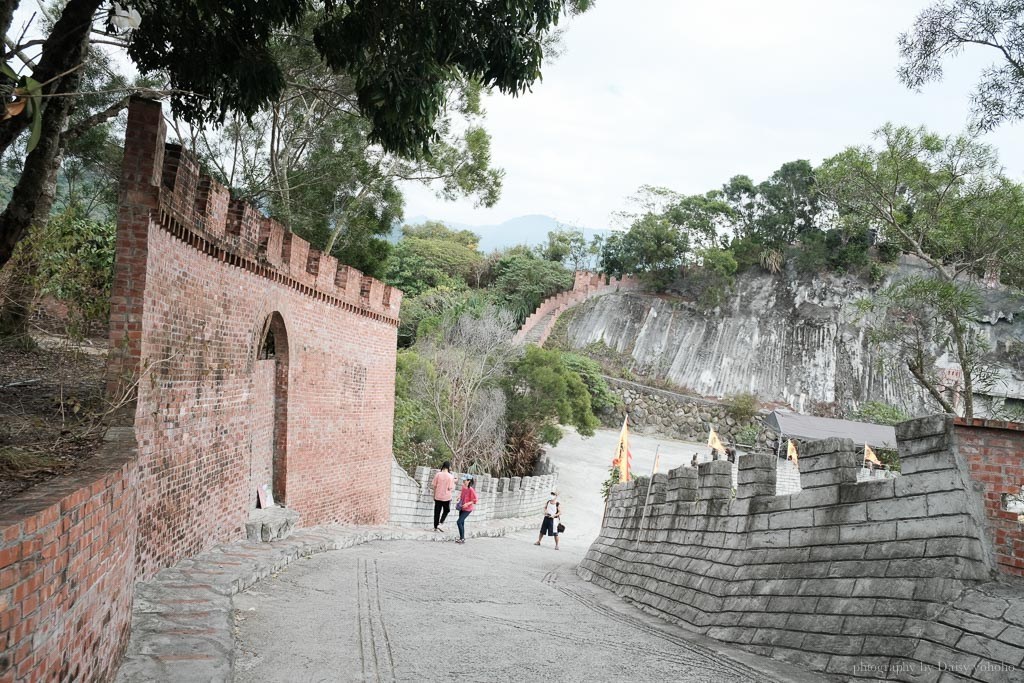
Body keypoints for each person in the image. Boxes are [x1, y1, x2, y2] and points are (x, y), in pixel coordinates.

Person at [432, 461, 455, 532]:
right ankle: (441, 523)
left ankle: (435, 527)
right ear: (448, 467)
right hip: (446, 497)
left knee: (437, 512)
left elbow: (434, 486)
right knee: (446, 510)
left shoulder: (438, 474)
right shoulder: (450, 476)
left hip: (438, 496)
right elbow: (450, 488)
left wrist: (434, 495)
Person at [455, 476, 478, 544]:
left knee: (459, 522)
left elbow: (475, 500)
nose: (463, 481)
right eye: (463, 480)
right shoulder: (463, 487)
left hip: (467, 509)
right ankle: (462, 538)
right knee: (462, 523)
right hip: (462, 507)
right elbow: (461, 493)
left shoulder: (471, 490)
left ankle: (462, 538)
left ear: (469, 481)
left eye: (465, 480)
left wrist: (467, 504)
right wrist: (459, 496)